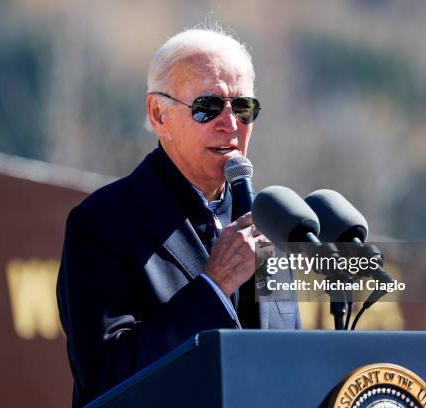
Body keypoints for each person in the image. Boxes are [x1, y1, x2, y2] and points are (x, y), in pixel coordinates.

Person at [56, 27, 301, 408]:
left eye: (243, 107)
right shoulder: (102, 223)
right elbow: (106, 381)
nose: (230, 123)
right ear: (158, 114)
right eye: (207, 106)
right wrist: (213, 287)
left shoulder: (268, 223)